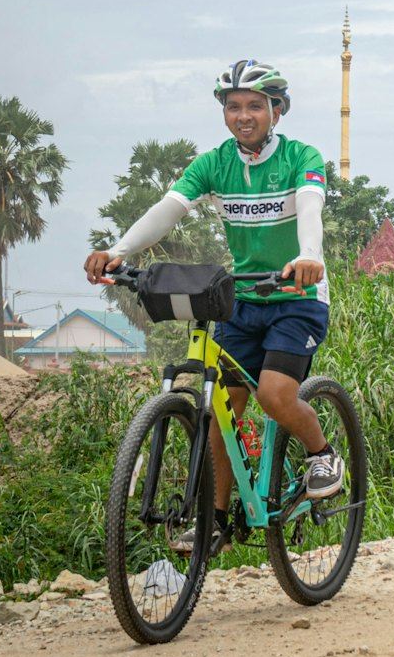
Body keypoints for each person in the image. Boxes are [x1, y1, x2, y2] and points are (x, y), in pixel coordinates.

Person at [84, 59, 340, 555]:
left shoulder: (301, 157)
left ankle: (323, 454)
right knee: (222, 409)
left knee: (274, 396)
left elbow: (310, 206)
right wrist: (119, 251)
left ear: (277, 111)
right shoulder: (214, 164)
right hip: (242, 299)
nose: (243, 116)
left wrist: (310, 256)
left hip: (296, 297)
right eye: (233, 107)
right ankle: (216, 520)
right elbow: (169, 208)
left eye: (255, 106)